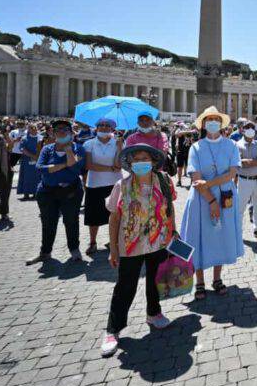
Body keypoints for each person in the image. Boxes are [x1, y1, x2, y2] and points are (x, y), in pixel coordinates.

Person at [100, 144, 177, 357]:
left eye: (145, 158)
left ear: (153, 161)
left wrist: (173, 232)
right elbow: (114, 217)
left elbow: (169, 208)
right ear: (131, 164)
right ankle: (113, 329)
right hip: (129, 243)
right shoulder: (121, 185)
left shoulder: (163, 181)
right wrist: (113, 249)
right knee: (125, 285)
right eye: (136, 159)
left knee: (155, 280)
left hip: (158, 240)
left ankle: (154, 313)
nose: (141, 162)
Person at [180, 107, 243, 299]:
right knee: (199, 237)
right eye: (210, 119)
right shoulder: (195, 147)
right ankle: (199, 281)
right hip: (201, 198)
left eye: (217, 119)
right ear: (204, 124)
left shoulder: (231, 145)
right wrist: (211, 200)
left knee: (221, 236)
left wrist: (210, 183)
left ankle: (217, 278)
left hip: (226, 197)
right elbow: (195, 178)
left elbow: (232, 174)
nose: (213, 122)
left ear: (221, 123)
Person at [26, 120, 86, 265]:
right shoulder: (47, 149)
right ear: (52, 133)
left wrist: (69, 153)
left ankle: (74, 250)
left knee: (71, 221)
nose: (61, 132)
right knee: (48, 222)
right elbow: (40, 168)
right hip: (47, 192)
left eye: (65, 129)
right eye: (58, 129)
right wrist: (65, 164)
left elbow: (76, 169)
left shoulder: (78, 148)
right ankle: (45, 252)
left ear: (71, 133)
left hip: (71, 191)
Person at [83, 118, 123, 255]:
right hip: (94, 184)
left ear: (112, 129)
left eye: (107, 125)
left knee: (116, 214)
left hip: (115, 184)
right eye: (101, 125)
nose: (104, 127)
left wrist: (119, 149)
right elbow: (89, 165)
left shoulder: (118, 143)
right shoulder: (89, 143)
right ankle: (93, 242)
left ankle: (114, 241)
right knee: (93, 216)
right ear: (96, 127)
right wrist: (111, 168)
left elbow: (118, 166)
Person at [236, 120, 257, 238]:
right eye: (247, 127)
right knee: (240, 207)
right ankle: (238, 230)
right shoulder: (237, 145)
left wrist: (249, 162)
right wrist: (255, 161)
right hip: (244, 180)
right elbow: (239, 163)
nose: (250, 129)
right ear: (243, 129)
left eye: (252, 127)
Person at [16, 124, 42, 200]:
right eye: (31, 128)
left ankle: (35, 193)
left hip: (38, 160)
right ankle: (26, 193)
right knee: (26, 177)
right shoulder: (24, 138)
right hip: (27, 161)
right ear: (29, 129)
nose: (34, 129)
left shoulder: (41, 138)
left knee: (37, 177)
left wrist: (38, 157)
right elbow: (22, 149)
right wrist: (33, 156)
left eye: (35, 128)